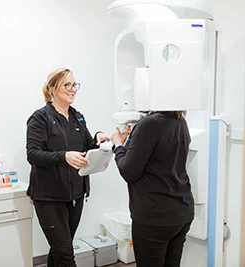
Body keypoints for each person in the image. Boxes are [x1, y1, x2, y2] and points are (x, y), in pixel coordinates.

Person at [26, 68, 110, 267]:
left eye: (74, 85)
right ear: (53, 89)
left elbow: (87, 145)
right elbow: (33, 154)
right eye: (67, 85)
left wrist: (98, 138)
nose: (72, 89)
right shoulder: (40, 118)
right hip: (49, 197)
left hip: (75, 194)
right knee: (66, 255)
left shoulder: (78, 116)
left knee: (59, 251)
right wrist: (64, 157)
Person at [111, 111, 194, 267]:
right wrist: (132, 140)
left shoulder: (149, 124)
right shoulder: (180, 121)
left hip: (154, 216)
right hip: (181, 211)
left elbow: (128, 172)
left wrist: (118, 146)